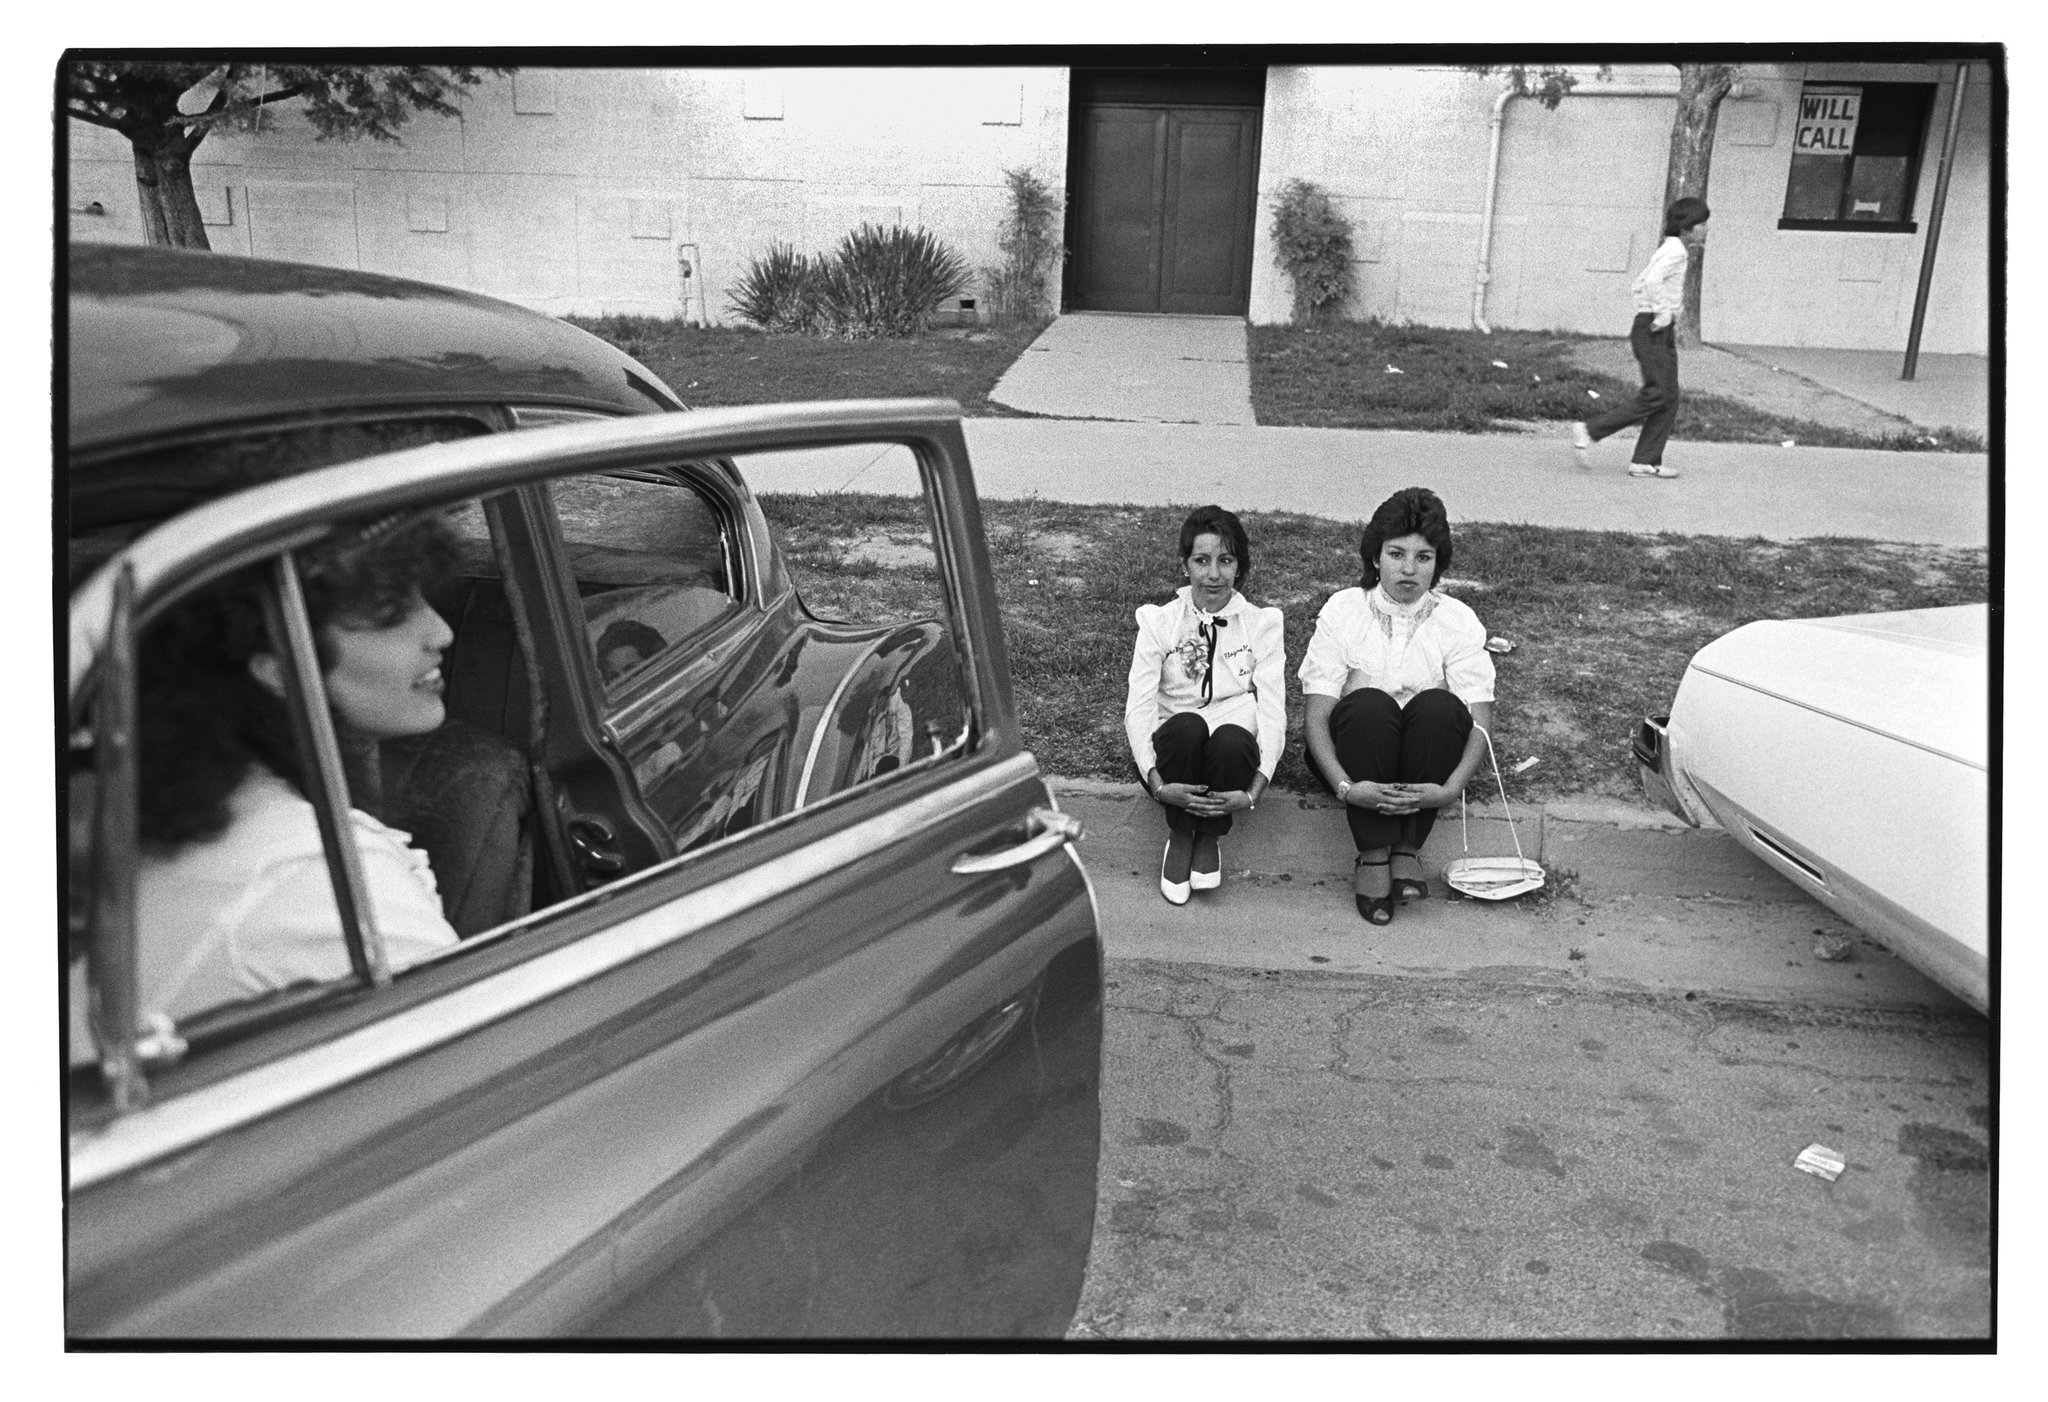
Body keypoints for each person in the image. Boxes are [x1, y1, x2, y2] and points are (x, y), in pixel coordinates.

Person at [133, 514, 467, 1022]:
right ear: (279, 666)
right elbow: (467, 1044)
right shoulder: (318, 877)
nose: (441, 632)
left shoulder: (183, 814)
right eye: (391, 614)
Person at [1299, 488, 1495, 926]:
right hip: (1354, 757)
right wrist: (1345, 787)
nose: (1409, 569)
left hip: (1427, 764)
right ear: (1375, 557)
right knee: (1369, 704)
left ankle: (1407, 848)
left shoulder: (1457, 620)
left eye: (1423, 557)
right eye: (1396, 554)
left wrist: (1450, 790)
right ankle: (1373, 854)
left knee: (1440, 708)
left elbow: (1479, 722)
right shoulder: (1344, 610)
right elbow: (1316, 718)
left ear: (1438, 564)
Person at [1124, 505, 1286, 906]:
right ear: (1185, 565)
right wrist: (1157, 784)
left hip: (1232, 746)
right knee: (1186, 727)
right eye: (1201, 561)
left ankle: (1209, 836)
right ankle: (1181, 835)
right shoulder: (1160, 622)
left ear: (1239, 566)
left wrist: (1254, 790)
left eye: (1225, 561)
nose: (1213, 574)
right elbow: (1139, 705)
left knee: (1231, 739)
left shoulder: (1261, 624)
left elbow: (1272, 708)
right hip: (1176, 743)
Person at [1572, 196, 1712, 480]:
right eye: (1701, 224)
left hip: (1654, 326)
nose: (1706, 229)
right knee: (1658, 393)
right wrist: (1661, 312)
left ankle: (1645, 461)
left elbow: (1639, 284)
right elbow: (1651, 281)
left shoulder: (1670, 248)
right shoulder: (1675, 252)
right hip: (1653, 329)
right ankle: (1590, 430)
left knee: (1668, 397)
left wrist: (1662, 311)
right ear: (1686, 226)